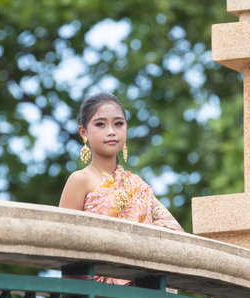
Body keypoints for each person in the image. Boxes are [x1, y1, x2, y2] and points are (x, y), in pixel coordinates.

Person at [59, 92, 184, 286]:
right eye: (100, 124)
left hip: (141, 287)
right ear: (83, 132)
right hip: (96, 291)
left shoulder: (136, 185)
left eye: (118, 124)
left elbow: (175, 232)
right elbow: (62, 241)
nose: (111, 131)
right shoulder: (80, 180)